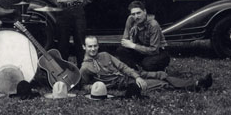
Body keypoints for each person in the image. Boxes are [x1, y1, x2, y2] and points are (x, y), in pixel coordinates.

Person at [80, 36, 212, 93]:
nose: (93, 49)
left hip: (131, 75)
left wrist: (137, 76)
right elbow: (83, 86)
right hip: (123, 83)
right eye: (90, 46)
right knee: (159, 83)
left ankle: (193, 82)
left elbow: (123, 67)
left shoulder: (105, 55)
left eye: (95, 45)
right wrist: (96, 87)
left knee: (161, 74)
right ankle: (196, 85)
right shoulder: (85, 67)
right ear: (84, 47)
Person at [115, 0, 170, 71]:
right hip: (142, 49)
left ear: (145, 11)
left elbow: (154, 50)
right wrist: (130, 41)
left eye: (138, 13)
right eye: (133, 14)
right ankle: (134, 71)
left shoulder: (153, 24)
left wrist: (133, 45)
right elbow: (125, 41)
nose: (136, 16)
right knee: (121, 50)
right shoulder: (130, 19)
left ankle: (161, 69)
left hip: (158, 52)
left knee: (147, 64)